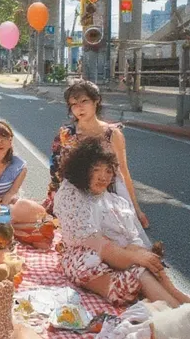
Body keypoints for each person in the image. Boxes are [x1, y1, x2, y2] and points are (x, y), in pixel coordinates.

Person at [54, 139, 190, 308]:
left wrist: (145, 257)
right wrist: (137, 258)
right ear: (82, 170)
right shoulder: (72, 195)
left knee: (148, 263)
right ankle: (180, 314)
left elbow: (133, 243)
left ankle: (179, 300)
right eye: (96, 170)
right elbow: (100, 245)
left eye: (108, 171)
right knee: (141, 272)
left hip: (118, 257)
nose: (103, 177)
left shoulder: (117, 202)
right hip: (86, 259)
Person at [44, 79, 150, 233]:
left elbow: (123, 172)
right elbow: (56, 170)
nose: (79, 108)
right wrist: (53, 199)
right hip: (73, 194)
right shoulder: (66, 134)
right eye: (73, 104)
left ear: (96, 101)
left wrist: (136, 209)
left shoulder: (112, 134)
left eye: (84, 101)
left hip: (104, 194)